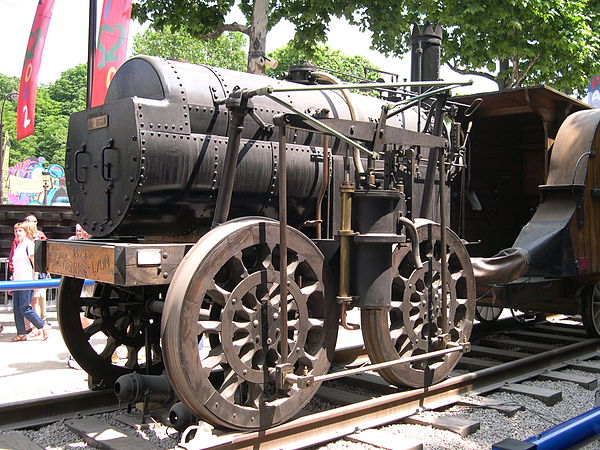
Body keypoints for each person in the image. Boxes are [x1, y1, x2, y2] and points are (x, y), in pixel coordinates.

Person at [10, 221, 49, 341]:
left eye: (20, 230)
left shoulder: (29, 244)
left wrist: (35, 281)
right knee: (16, 308)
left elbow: (35, 264)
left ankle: (42, 326)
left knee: (24, 307)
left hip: (26, 281)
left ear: (26, 232)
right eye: (16, 231)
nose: (17, 233)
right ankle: (21, 333)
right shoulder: (17, 245)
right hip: (17, 281)